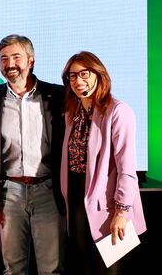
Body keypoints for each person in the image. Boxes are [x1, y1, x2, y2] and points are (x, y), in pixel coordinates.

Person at [0, 34, 66, 274]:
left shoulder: (56, 95)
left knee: (52, 268)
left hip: (48, 190)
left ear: (31, 60)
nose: (10, 64)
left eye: (16, 57)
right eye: (4, 59)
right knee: (12, 268)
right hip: (8, 193)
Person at [60, 51, 146, 274]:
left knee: (108, 270)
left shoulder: (118, 111)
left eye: (84, 74)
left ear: (98, 74)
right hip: (78, 201)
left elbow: (127, 169)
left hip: (110, 206)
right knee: (85, 267)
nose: (78, 81)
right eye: (72, 76)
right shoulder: (73, 112)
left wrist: (122, 212)